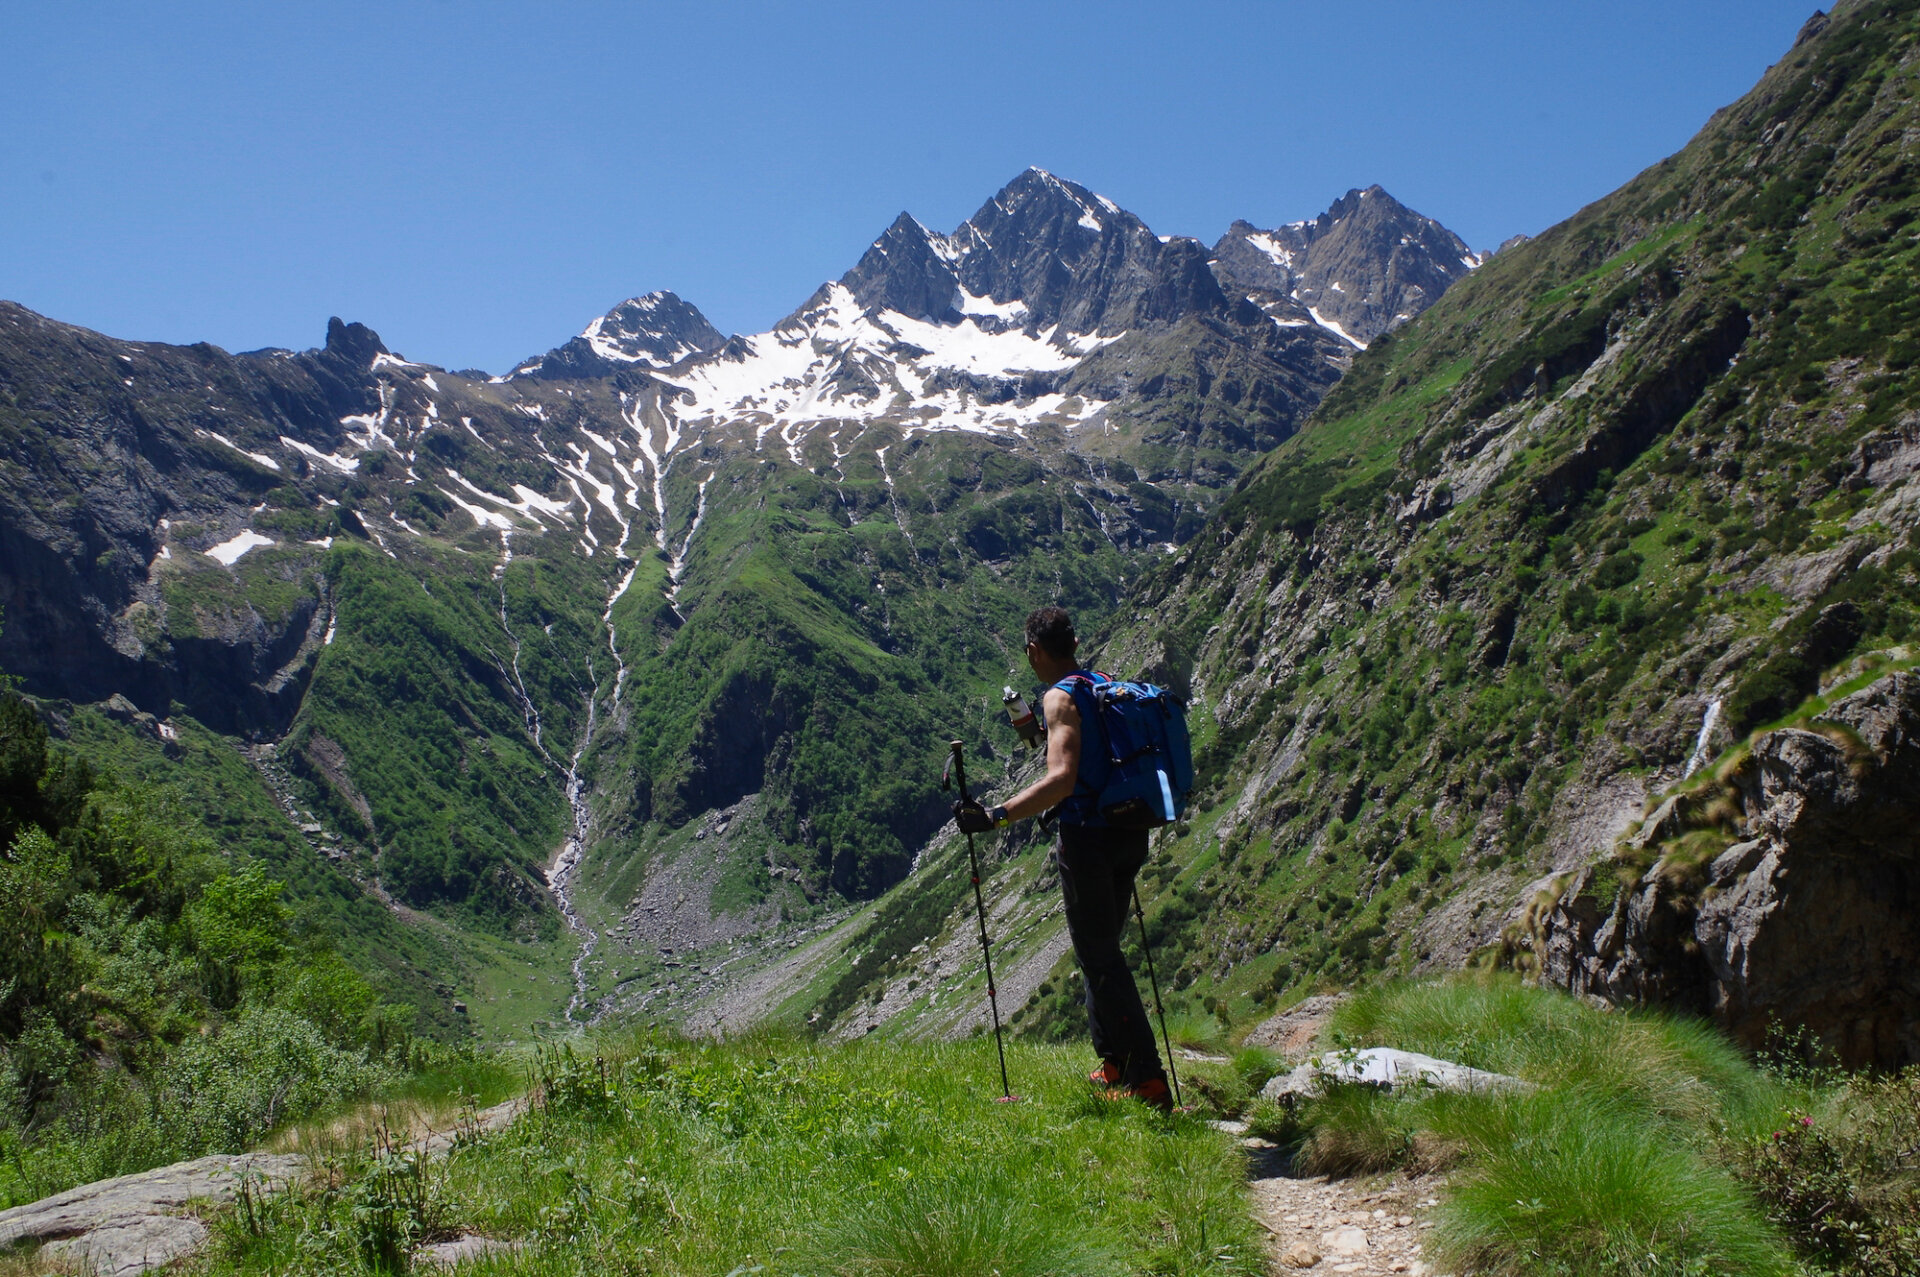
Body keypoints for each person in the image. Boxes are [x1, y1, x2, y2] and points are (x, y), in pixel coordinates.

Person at [951, 606, 1173, 1111]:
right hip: (1129, 829)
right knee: (1101, 948)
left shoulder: (1058, 697)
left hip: (1088, 838)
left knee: (1099, 956)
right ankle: (1115, 1062)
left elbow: (1062, 779)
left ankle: (1147, 1079)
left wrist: (996, 815)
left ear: (1034, 651)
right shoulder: (1101, 683)